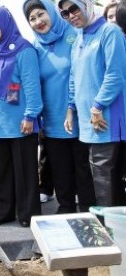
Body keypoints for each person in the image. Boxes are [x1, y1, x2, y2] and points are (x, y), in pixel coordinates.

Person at [23, 0, 96, 213]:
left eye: (41, 14)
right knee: (60, 168)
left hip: (79, 115)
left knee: (83, 168)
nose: (38, 22)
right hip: (52, 118)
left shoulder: (75, 34)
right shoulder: (35, 46)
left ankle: (88, 211)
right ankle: (65, 207)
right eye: (32, 19)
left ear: (53, 13)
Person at [0, 6, 42, 227]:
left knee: (25, 171)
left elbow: (32, 86)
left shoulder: (25, 50)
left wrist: (30, 115)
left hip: (22, 121)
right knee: (0, 171)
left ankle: (28, 215)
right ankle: (2, 213)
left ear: (5, 24)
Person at [59, 0, 126, 207]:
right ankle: (105, 230)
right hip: (87, 121)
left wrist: (97, 106)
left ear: (86, 5)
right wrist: (71, 109)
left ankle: (109, 234)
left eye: (74, 8)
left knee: (104, 182)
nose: (71, 15)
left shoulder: (109, 32)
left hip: (105, 120)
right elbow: (74, 76)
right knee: (96, 181)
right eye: (64, 13)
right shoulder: (78, 37)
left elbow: (115, 76)